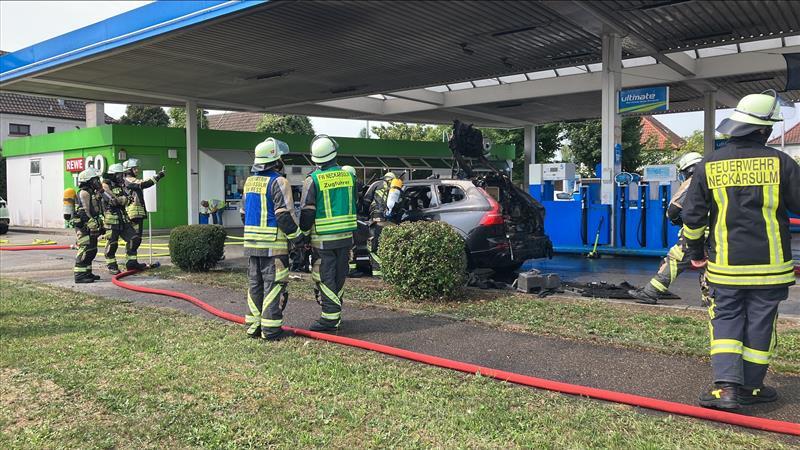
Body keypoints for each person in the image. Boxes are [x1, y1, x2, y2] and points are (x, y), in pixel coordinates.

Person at [682, 90, 800, 410]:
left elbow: (692, 217)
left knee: (726, 320)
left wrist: (695, 253)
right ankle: (752, 388)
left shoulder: (709, 164)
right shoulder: (782, 163)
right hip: (772, 268)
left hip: (727, 267)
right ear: (762, 130)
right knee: (761, 323)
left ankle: (726, 389)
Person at [242, 137, 303, 340]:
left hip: (252, 245)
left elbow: (243, 214)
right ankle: (270, 329)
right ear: (276, 160)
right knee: (274, 285)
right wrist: (298, 239)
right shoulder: (279, 182)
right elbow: (284, 216)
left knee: (255, 284)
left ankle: (253, 326)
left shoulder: (249, 182)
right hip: (273, 247)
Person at [628, 152, 704, 304]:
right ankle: (710, 302)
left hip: (695, 232)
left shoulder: (693, 182)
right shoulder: (714, 181)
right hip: (718, 233)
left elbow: (673, 211)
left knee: (675, 260)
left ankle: (650, 292)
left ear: (688, 170)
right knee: (708, 266)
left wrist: (678, 220)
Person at [299, 135, 357, 332]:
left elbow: (307, 212)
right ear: (334, 153)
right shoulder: (349, 177)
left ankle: (329, 319)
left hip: (323, 239)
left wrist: (303, 235)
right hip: (346, 237)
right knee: (339, 276)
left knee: (325, 278)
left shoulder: (313, 180)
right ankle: (335, 314)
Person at [101, 163, 145, 274]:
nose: (122, 177)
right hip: (111, 221)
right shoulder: (105, 185)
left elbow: (129, 199)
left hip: (123, 218)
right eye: (120, 174)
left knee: (134, 239)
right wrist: (122, 199)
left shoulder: (121, 185)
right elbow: (113, 201)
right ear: (114, 175)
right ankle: (112, 266)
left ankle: (131, 263)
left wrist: (123, 199)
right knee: (112, 244)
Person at [122, 159, 165, 250]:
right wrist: (158, 177)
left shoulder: (130, 180)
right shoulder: (129, 180)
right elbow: (144, 183)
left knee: (137, 238)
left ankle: (132, 256)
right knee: (135, 238)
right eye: (134, 169)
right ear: (128, 170)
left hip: (137, 213)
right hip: (133, 213)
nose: (137, 170)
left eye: (137, 168)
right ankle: (130, 256)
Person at [72, 168, 104, 283]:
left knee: (92, 250)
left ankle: (87, 272)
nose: (98, 182)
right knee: (85, 249)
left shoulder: (91, 193)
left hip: (90, 226)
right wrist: (92, 224)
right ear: (89, 181)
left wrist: (99, 224)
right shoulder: (84, 193)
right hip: (83, 227)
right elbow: (83, 212)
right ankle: (79, 275)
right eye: (95, 180)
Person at [362, 171, 397, 276]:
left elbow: (366, 200)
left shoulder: (376, 184)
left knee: (374, 246)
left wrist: (365, 214)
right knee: (389, 245)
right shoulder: (396, 188)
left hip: (376, 220)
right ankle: (390, 271)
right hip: (391, 221)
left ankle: (377, 272)